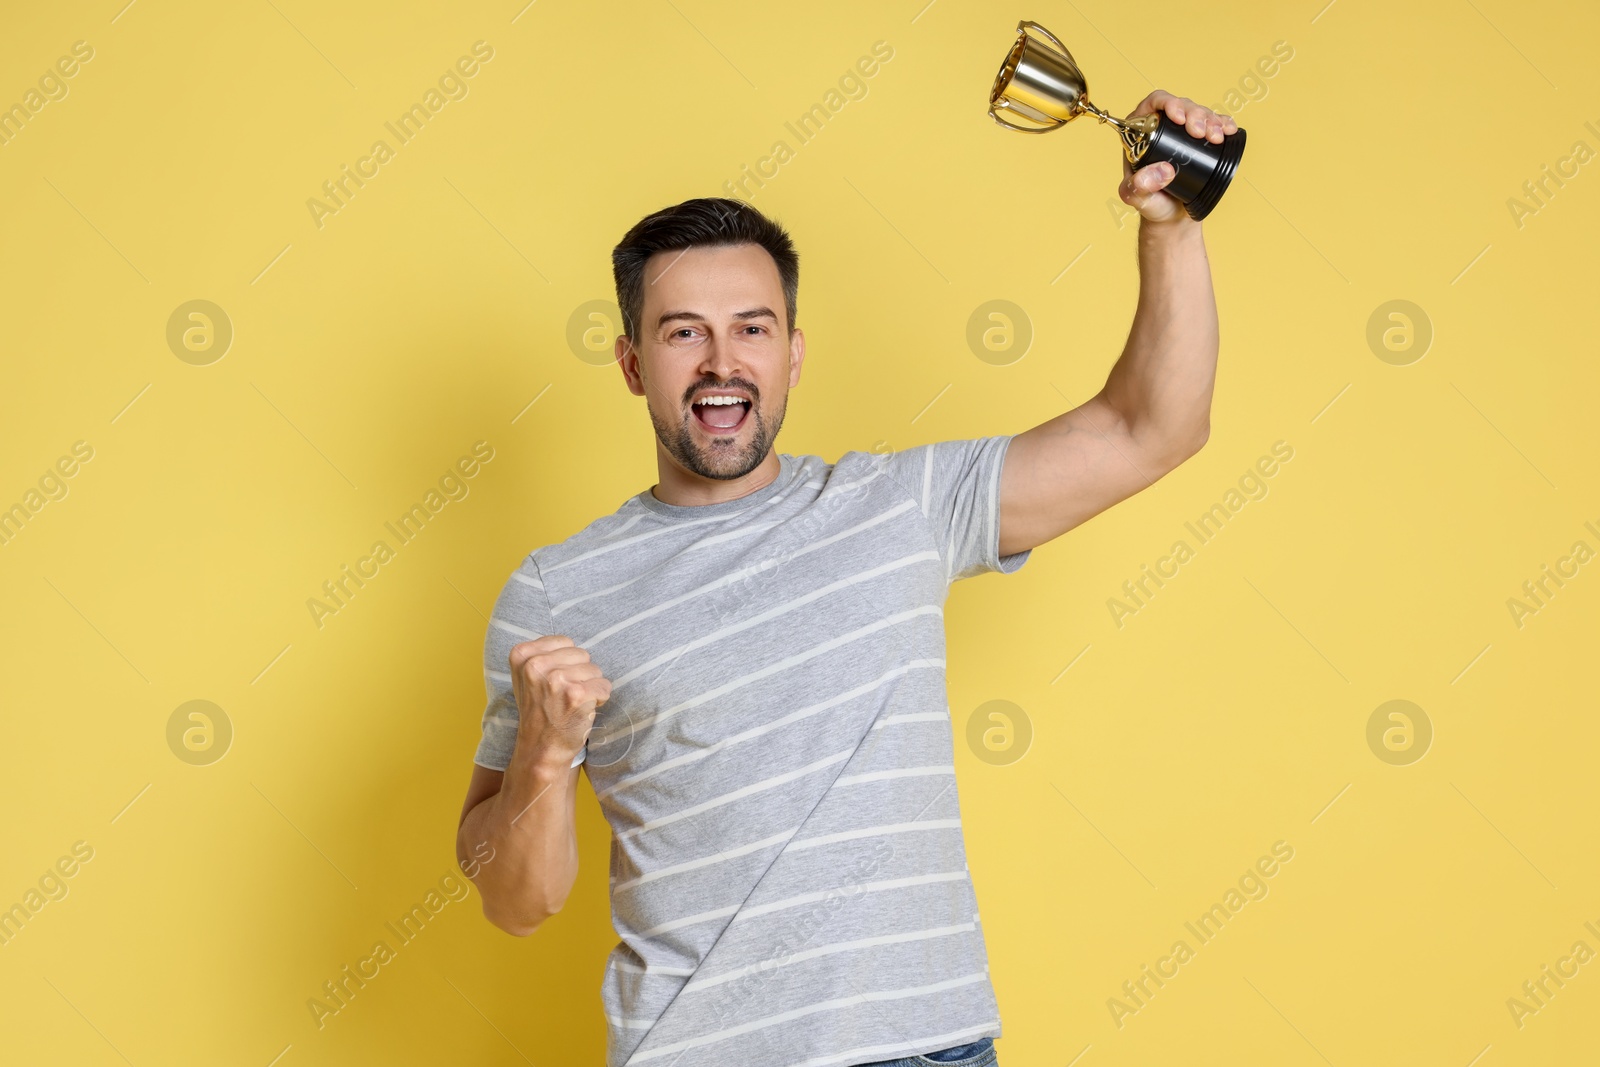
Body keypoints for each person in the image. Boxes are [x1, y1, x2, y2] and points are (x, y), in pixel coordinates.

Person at [456, 89, 1233, 1067]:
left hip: (924, 1045)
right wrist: (541, 753)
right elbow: (514, 901)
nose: (720, 359)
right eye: (682, 331)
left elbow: (1151, 427)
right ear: (630, 361)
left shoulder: (897, 506)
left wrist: (1170, 224)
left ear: (792, 352)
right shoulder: (555, 590)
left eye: (751, 327)